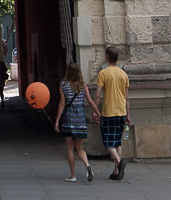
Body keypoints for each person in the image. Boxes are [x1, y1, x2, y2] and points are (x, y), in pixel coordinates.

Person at [54, 61, 101, 182]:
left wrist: (57, 120)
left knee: (70, 148)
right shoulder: (83, 85)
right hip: (81, 120)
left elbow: (62, 104)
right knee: (80, 148)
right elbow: (90, 102)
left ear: (67, 72)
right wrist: (98, 113)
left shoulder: (63, 85)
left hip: (68, 120)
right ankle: (87, 164)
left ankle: (73, 175)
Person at [94, 46, 130, 180]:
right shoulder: (123, 74)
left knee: (108, 142)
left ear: (107, 57)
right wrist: (128, 114)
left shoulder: (103, 73)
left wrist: (95, 110)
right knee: (117, 142)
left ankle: (120, 162)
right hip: (121, 111)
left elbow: (98, 95)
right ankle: (116, 171)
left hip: (108, 112)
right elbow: (127, 98)